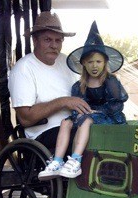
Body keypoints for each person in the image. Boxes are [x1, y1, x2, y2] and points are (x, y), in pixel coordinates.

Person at [38, 21, 128, 180]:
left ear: (105, 63)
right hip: (88, 115)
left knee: (85, 121)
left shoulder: (110, 81)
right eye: (90, 62)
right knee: (66, 122)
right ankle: (57, 161)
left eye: (98, 62)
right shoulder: (79, 85)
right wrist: (78, 114)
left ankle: (75, 161)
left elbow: (116, 105)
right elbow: (78, 105)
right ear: (84, 64)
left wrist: (94, 113)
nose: (94, 66)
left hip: (109, 117)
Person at [8, 11, 92, 151]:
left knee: (107, 132)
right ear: (35, 40)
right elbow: (25, 118)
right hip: (43, 135)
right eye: (48, 40)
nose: (54, 45)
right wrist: (63, 101)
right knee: (88, 140)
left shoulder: (66, 61)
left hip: (75, 124)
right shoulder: (23, 68)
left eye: (58, 40)